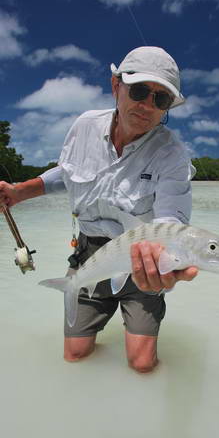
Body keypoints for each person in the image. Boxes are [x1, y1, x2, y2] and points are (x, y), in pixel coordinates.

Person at [0, 46, 198, 373]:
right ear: (115, 86)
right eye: (139, 91)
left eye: (160, 100)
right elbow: (67, 172)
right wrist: (20, 192)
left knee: (142, 364)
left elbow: (171, 218)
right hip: (89, 252)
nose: (148, 105)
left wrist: (161, 261)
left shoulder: (173, 155)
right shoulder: (84, 126)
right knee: (75, 356)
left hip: (141, 258)